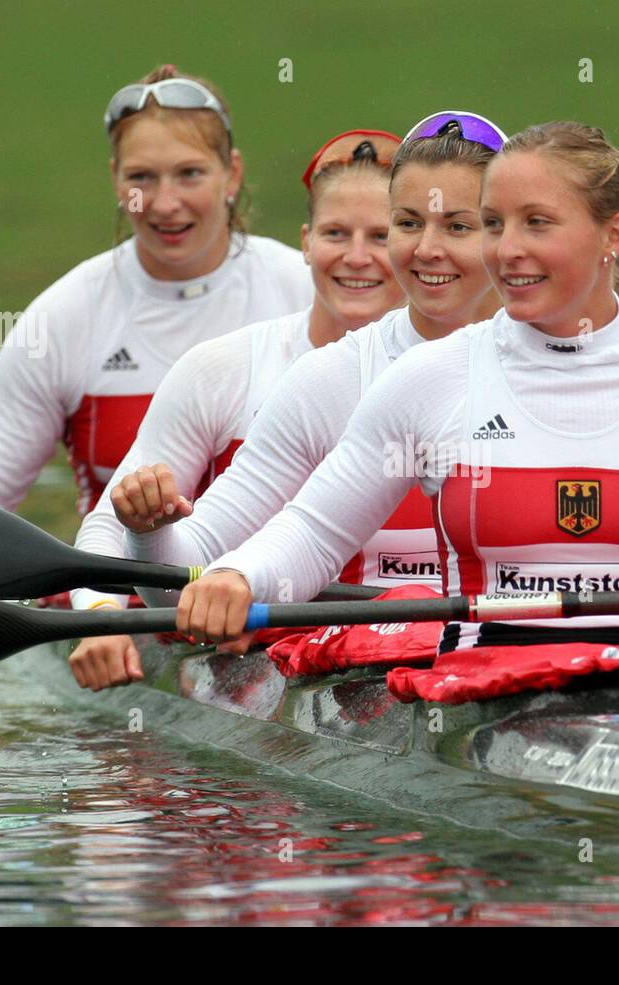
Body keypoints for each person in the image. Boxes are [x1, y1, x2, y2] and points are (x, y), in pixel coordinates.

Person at [171, 121, 619, 676]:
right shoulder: (429, 380)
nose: (508, 251)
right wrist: (235, 578)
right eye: (496, 223)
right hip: (480, 698)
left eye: (537, 223)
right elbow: (314, 536)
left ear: (612, 237)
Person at [74, 112, 508, 690]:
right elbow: (193, 570)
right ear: (307, 243)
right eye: (405, 224)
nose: (424, 249)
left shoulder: (593, 362)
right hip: (363, 661)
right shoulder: (326, 378)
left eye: (458, 226)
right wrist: (151, 547)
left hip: (524, 648)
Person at [0, 65, 312, 517]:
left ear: (231, 174)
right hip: (108, 587)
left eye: (190, 173)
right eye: (141, 178)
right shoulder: (63, 317)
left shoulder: (306, 291)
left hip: (272, 584)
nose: (164, 203)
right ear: (116, 179)